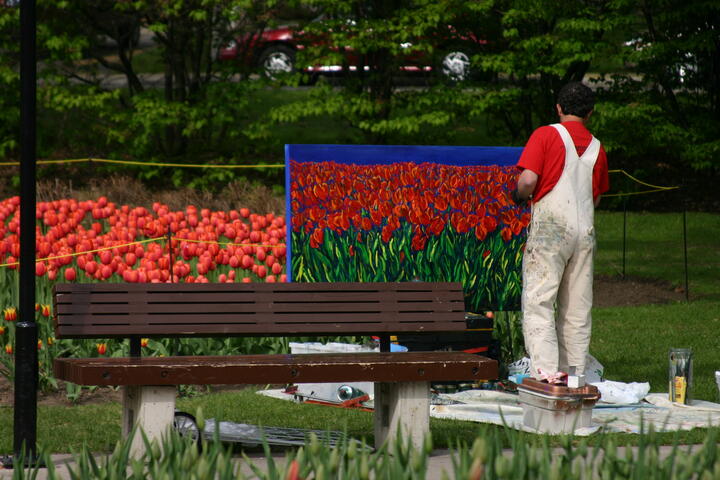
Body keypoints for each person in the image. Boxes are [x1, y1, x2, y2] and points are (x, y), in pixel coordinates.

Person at [511, 82, 609, 383]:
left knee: (540, 300)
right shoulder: (597, 147)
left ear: (558, 107)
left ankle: (546, 375)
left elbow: (528, 180)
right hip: (585, 231)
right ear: (590, 112)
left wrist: (517, 196)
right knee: (577, 305)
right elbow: (595, 198)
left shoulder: (546, 134)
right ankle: (575, 375)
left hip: (551, 229)